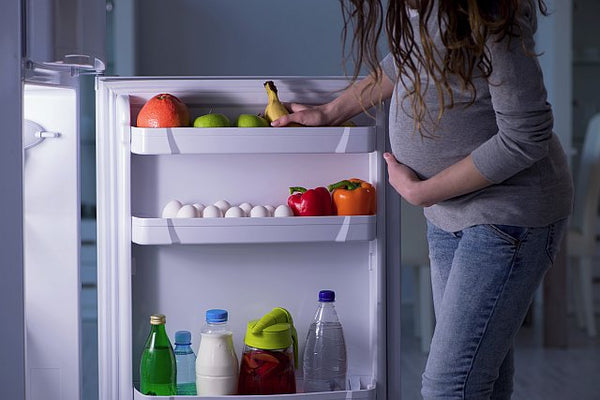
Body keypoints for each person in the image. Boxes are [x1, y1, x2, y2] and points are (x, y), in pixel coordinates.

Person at [272, 0, 574, 399]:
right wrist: (329, 112)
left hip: (507, 216)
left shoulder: (493, 16)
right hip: (450, 216)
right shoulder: (424, 8)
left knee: (449, 387)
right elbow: (404, 62)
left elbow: (526, 137)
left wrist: (421, 191)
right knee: (484, 380)